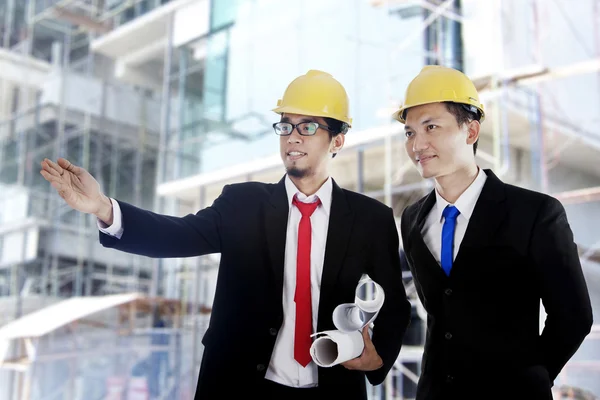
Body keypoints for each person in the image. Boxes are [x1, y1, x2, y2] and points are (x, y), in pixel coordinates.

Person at [41, 69, 412, 400]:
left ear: (337, 140)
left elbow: (395, 303)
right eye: (285, 125)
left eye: (307, 126)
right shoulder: (242, 204)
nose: (292, 137)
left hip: (332, 388)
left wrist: (378, 355)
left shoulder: (370, 219)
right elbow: (178, 235)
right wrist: (103, 208)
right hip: (240, 386)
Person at [394, 65, 593, 400]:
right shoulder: (413, 220)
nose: (418, 144)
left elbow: (574, 317)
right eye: (410, 133)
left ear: (471, 131)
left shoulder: (534, 213)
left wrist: (530, 380)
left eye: (431, 127)